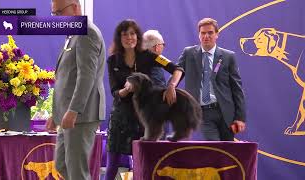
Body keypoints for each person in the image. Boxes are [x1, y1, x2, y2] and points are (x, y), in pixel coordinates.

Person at [105, 19, 183, 180]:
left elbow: (177, 69)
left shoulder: (151, 56)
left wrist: (171, 86)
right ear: (119, 38)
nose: (129, 38)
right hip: (121, 117)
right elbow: (114, 91)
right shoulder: (112, 60)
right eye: (124, 34)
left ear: (138, 36)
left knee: (148, 162)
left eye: (132, 33)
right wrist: (126, 90)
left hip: (145, 117)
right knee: (111, 166)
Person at [46, 0, 106, 179]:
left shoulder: (87, 32)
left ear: (75, 7)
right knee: (62, 165)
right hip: (69, 114)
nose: (56, 18)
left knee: (76, 171)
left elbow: (86, 77)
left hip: (81, 114)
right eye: (54, 14)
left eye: (59, 13)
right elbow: (67, 77)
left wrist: (73, 110)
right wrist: (56, 113)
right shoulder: (73, 34)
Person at [177, 18, 246, 141]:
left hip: (226, 113)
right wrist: (169, 87)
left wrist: (240, 117)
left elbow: (237, 88)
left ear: (217, 34)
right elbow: (177, 74)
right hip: (203, 113)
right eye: (203, 33)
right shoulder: (188, 53)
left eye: (210, 33)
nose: (206, 36)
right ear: (199, 35)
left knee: (227, 152)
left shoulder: (228, 56)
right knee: (215, 148)